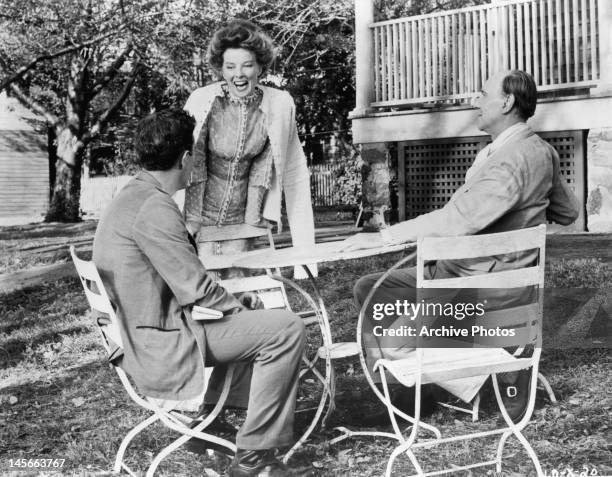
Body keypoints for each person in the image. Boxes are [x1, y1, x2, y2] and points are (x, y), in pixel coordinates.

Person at [341, 70, 580, 423]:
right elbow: (569, 210)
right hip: (466, 273)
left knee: (393, 344)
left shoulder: (513, 159)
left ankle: (471, 373)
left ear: (507, 102)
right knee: (372, 289)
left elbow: (458, 220)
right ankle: (417, 394)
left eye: (482, 94)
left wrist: (385, 236)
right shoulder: (539, 151)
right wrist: (525, 221)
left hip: (483, 289)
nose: (475, 101)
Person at [93, 110, 306, 477]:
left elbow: (182, 285)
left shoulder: (132, 195)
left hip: (140, 333)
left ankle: (210, 421)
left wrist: (237, 308)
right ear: (185, 158)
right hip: (159, 344)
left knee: (250, 318)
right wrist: (238, 308)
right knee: (286, 329)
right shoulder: (155, 207)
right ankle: (254, 459)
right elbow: (197, 290)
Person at [183, 19, 315, 278]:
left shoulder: (279, 105)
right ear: (221, 69)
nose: (238, 74)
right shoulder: (202, 101)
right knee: (205, 293)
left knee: (241, 291)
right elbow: (185, 163)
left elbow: (295, 173)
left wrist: (305, 257)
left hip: (247, 220)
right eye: (230, 66)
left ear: (260, 67)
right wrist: (189, 223)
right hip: (199, 219)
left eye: (247, 65)